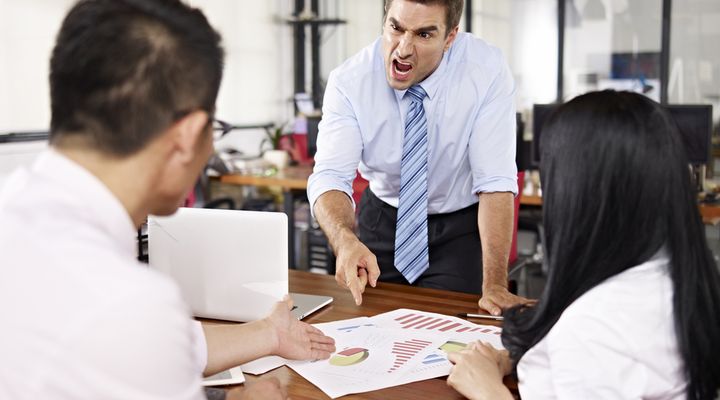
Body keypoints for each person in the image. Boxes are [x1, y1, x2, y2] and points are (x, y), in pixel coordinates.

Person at [0, 1, 335, 399]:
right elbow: (135, 332)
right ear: (188, 136)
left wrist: (269, 333)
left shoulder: (18, 211)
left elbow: (142, 345)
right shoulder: (128, 303)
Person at [447, 90, 720, 400]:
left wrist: (486, 389)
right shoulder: (677, 278)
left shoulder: (593, 326)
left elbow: (596, 345)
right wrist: (516, 355)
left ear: (576, 193)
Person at [307, 0, 531, 314]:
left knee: (453, 332)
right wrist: (344, 239)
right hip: (383, 220)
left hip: (458, 228)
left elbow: (494, 181)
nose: (403, 49)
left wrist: (495, 283)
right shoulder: (350, 81)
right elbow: (330, 175)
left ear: (450, 37)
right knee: (371, 327)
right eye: (396, 28)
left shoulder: (484, 70)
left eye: (424, 34)